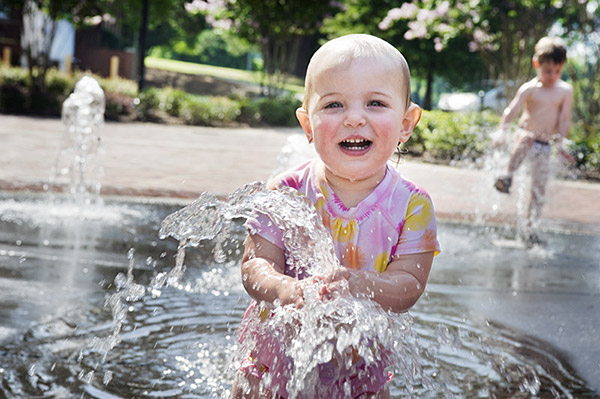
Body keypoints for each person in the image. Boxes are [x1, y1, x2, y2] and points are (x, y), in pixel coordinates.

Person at [231, 34, 440, 399]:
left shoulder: (412, 205)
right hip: (274, 356)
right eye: (333, 105)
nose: (354, 118)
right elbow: (254, 266)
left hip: (360, 361)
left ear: (406, 123)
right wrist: (286, 289)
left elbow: (409, 285)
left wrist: (360, 284)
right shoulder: (288, 190)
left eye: (375, 103)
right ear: (308, 125)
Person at [493, 36, 574, 244]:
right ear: (536, 63)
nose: (552, 76)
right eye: (548, 71)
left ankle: (530, 230)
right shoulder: (530, 88)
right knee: (527, 137)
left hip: (545, 145)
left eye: (557, 71)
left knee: (539, 190)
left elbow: (564, 119)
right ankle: (507, 176)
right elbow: (512, 110)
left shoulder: (565, 91)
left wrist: (562, 143)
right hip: (524, 137)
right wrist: (502, 130)